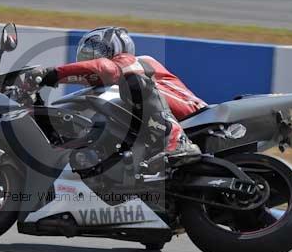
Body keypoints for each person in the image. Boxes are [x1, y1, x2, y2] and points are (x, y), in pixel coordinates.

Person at [29, 26, 206, 168]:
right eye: (87, 51)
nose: (91, 55)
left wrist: (52, 74)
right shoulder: (107, 92)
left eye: (99, 49)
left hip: (194, 114)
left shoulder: (135, 61)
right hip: (174, 119)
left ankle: (177, 140)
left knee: (134, 82)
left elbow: (106, 69)